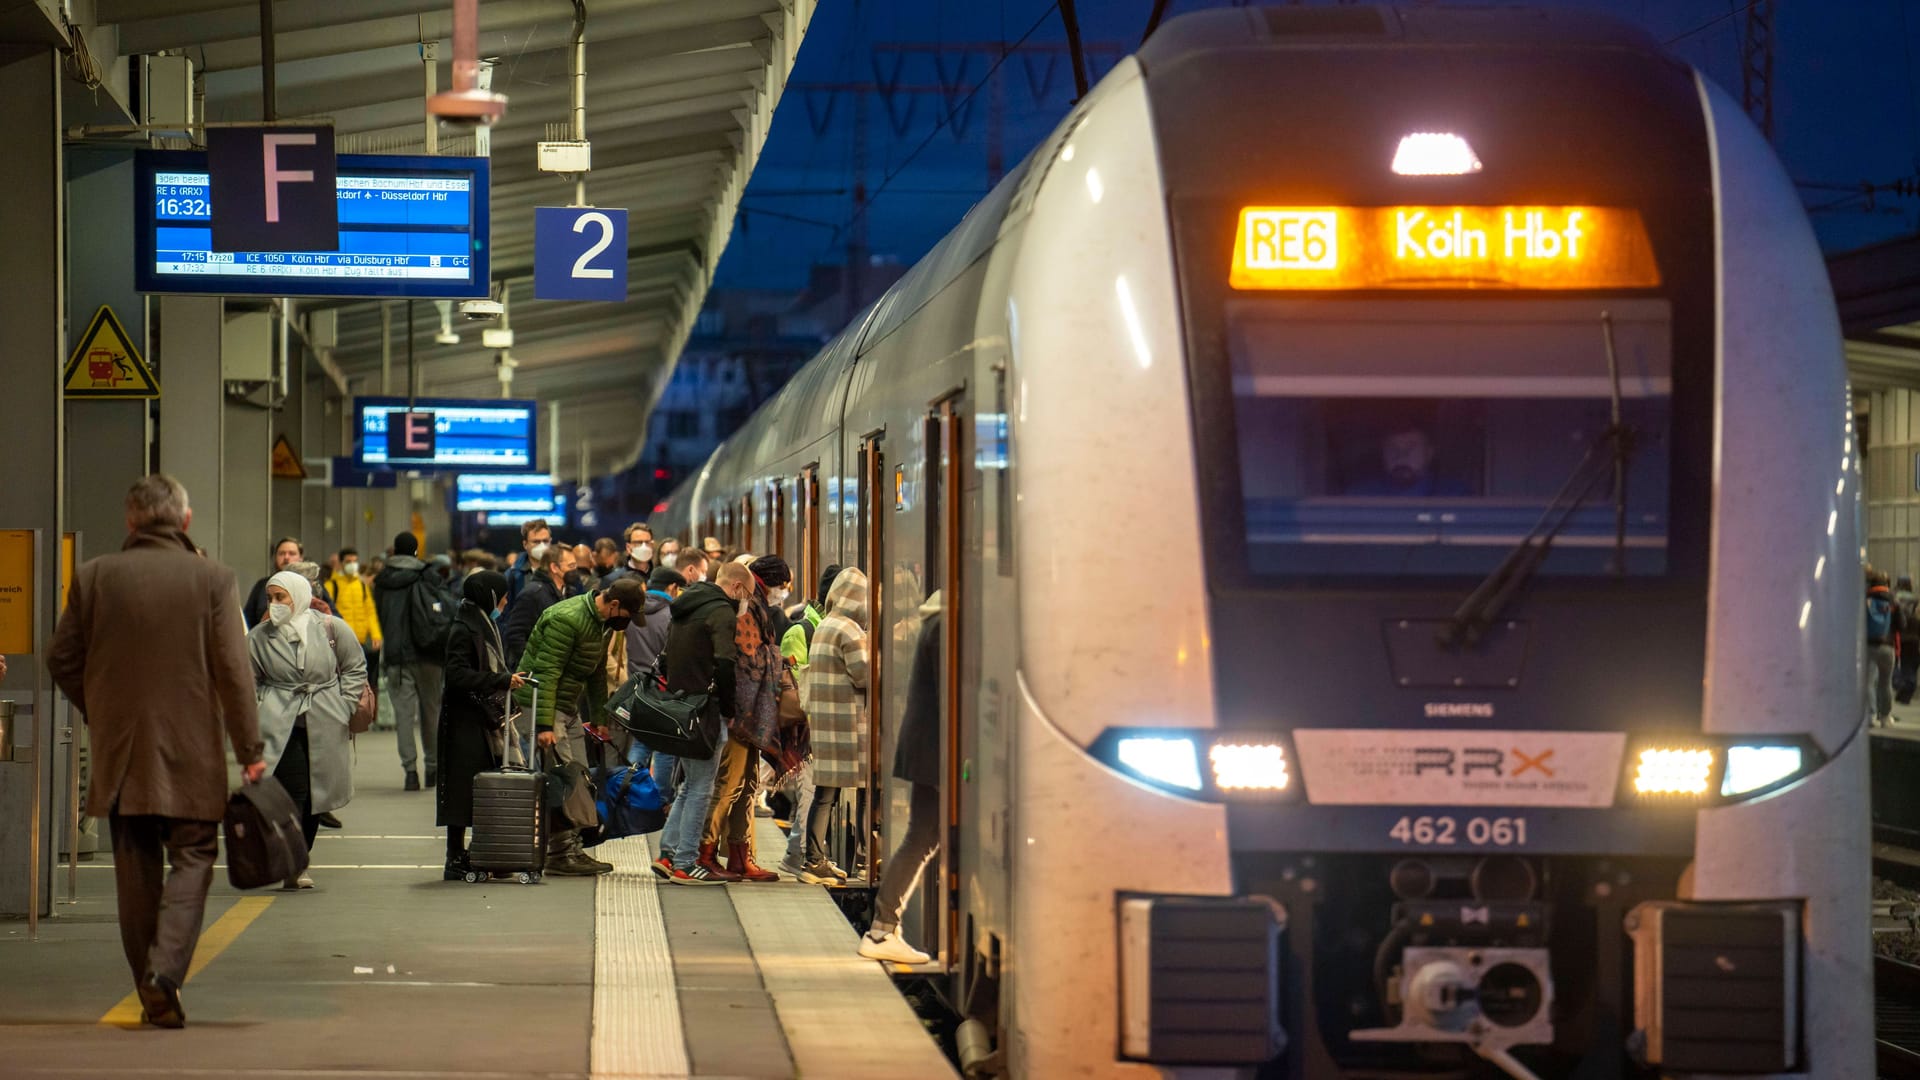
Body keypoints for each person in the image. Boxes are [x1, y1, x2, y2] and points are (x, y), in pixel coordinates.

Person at [49, 475, 265, 1029]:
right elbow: (234, 672)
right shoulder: (213, 579)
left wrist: (103, 710)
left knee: (135, 869)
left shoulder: (95, 576)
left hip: (121, 754)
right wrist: (249, 748)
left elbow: (61, 658)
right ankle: (164, 971)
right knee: (193, 857)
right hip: (193, 748)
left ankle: (149, 984)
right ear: (185, 521)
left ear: (130, 520)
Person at [514, 577, 645, 875]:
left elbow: (596, 673)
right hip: (543, 705)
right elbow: (546, 674)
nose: (628, 622)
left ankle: (570, 849)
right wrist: (544, 724)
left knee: (580, 779)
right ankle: (559, 854)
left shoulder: (600, 624)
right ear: (613, 605)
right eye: (627, 615)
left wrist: (600, 719)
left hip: (567, 707)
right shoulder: (567, 619)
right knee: (563, 782)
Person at [247, 571, 366, 889]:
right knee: (293, 791)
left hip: (325, 716)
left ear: (297, 596)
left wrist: (345, 704)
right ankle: (292, 860)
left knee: (317, 795)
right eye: (270, 598)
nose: (274, 604)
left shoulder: (330, 627)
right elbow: (249, 679)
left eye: (280, 597)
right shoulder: (259, 636)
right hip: (279, 722)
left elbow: (355, 665)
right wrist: (261, 706)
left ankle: (300, 857)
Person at [859, 590, 945, 963]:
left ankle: (883, 928)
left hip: (929, 751)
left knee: (926, 837)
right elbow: (951, 694)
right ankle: (881, 930)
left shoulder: (935, 621)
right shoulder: (942, 626)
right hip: (934, 753)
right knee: (922, 837)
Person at [658, 557, 744, 884]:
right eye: (745, 594)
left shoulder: (685, 606)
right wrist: (730, 708)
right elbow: (725, 663)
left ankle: (668, 853)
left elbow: (665, 659)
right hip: (707, 711)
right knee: (701, 789)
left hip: (682, 706)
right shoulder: (721, 612)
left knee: (689, 785)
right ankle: (685, 862)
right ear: (736, 586)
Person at [436, 570, 526, 881]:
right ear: (488, 595)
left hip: (476, 715)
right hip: (464, 719)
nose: (504, 601)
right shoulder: (465, 627)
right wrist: (501, 680)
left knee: (473, 785)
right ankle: (455, 857)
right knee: (463, 787)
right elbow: (456, 675)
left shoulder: (480, 621)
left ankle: (476, 851)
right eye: (501, 596)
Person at [699, 562, 783, 883]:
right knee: (729, 785)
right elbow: (748, 658)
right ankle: (703, 853)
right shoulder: (740, 613)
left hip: (747, 714)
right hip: (738, 712)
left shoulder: (749, 609)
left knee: (747, 784)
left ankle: (740, 856)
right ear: (738, 587)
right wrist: (775, 656)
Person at [801, 568, 870, 886]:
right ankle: (862, 858)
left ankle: (814, 859)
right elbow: (865, 676)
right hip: (848, 725)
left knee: (825, 792)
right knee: (864, 790)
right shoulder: (851, 631)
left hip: (826, 724)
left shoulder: (825, 625)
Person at [375, 532, 452, 791]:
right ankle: (432, 769)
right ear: (416, 551)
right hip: (429, 654)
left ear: (394, 551)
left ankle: (410, 772)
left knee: (404, 718)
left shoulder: (382, 581)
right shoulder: (428, 575)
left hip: (397, 656)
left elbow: (379, 618)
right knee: (431, 713)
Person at [1346, 422, 1473, 497]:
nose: (1401, 455)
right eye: (1392, 448)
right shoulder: (1361, 496)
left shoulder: (1455, 495)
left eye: (1411, 447)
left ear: (1429, 453)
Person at [503, 544, 572, 669]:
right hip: (537, 673)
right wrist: (534, 665)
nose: (574, 570)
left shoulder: (569, 592)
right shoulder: (533, 593)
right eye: (571, 566)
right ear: (554, 567)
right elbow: (515, 634)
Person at [328, 547, 383, 700]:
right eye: (348, 562)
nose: (352, 565)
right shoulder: (332, 586)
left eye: (355, 561)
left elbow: (370, 612)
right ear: (341, 563)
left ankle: (366, 709)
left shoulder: (362, 586)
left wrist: (376, 635)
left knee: (367, 679)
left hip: (362, 641)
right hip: (342, 643)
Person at [1870, 570, 1907, 727]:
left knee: (1868, 683)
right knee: (1885, 683)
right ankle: (1885, 717)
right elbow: (1902, 625)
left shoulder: (1865, 598)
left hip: (1869, 645)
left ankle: (1869, 717)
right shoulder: (1894, 601)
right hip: (1888, 647)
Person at [243, 537, 305, 626]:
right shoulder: (262, 585)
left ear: (301, 558)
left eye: (292, 553)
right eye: (281, 553)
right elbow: (247, 621)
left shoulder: (312, 586)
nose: (286, 557)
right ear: (275, 557)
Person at [504, 519, 553, 604]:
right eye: (536, 542)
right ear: (525, 544)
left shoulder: (560, 570)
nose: (542, 546)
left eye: (545, 541)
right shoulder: (513, 575)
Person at [603, 522, 656, 587]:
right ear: (628, 547)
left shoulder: (659, 578)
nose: (644, 546)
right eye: (639, 542)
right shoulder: (613, 580)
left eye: (647, 542)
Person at [1898, 576, 1920, 706]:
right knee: (1911, 667)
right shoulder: (1914, 599)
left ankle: (1902, 689)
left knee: (1904, 665)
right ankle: (1905, 691)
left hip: (1902, 634)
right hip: (1914, 634)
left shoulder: (1895, 596)